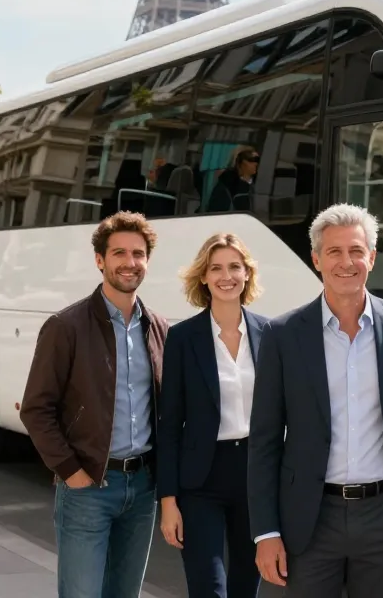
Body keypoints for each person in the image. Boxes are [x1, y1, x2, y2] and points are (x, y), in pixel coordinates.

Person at [247, 203, 383, 597]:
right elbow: (265, 440)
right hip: (309, 517)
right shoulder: (282, 334)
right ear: (316, 260)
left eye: (356, 251)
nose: (346, 262)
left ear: (372, 257)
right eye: (334, 252)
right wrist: (266, 532)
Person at [20, 212, 170, 598]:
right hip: (88, 488)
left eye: (138, 254)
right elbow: (36, 409)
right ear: (100, 260)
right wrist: (72, 473)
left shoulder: (158, 328)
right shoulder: (66, 326)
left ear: (148, 261)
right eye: (119, 253)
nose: (130, 262)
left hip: (142, 489)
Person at [156, 232, 268, 598]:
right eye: (216, 268)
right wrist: (168, 501)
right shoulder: (182, 337)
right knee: (208, 587)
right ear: (203, 277)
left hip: (255, 476)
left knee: (245, 586)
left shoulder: (269, 333)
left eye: (235, 267)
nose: (226, 276)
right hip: (200, 480)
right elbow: (170, 425)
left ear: (247, 273)